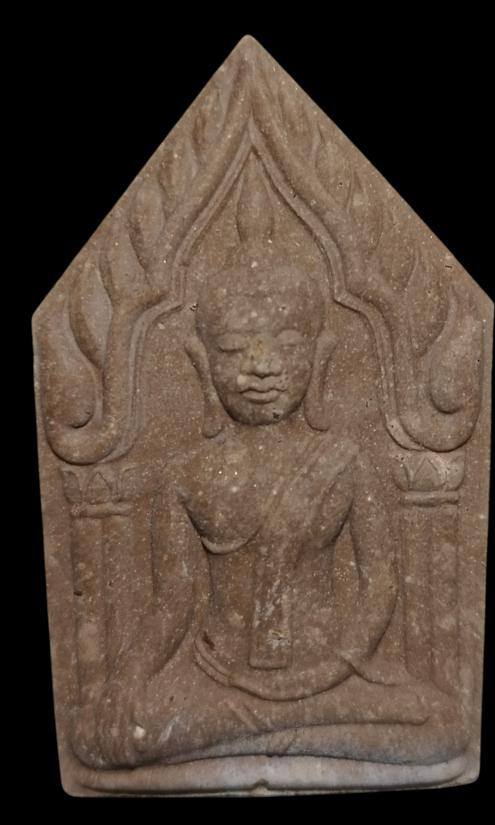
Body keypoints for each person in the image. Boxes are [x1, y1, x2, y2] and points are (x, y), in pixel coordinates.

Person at [73, 245, 449, 770]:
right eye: (232, 348)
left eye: (287, 344)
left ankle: (255, 737)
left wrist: (331, 671)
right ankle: (286, 734)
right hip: (217, 677)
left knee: (444, 724)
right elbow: (174, 602)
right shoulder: (185, 475)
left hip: (327, 676)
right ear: (202, 363)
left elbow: (380, 584)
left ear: (320, 357)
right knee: (95, 737)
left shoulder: (346, 462)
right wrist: (126, 679)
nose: (262, 367)